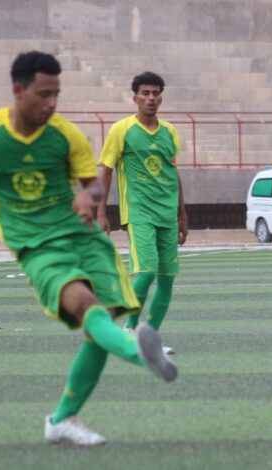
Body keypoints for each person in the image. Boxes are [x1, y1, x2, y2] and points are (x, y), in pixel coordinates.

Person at [0, 51, 178, 447]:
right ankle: (137, 349)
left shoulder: (65, 135)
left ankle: (62, 419)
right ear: (19, 91)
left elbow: (95, 184)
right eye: (44, 94)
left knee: (95, 328)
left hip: (82, 237)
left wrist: (88, 197)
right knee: (87, 308)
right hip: (34, 243)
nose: (52, 103)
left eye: (57, 95)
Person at [97, 71, 188, 355]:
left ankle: (150, 338)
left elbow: (173, 173)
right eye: (145, 93)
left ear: (161, 97)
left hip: (167, 214)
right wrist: (101, 211)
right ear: (135, 97)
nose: (151, 98)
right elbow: (106, 170)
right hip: (138, 213)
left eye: (155, 93)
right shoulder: (121, 130)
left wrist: (182, 215)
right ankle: (129, 330)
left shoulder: (170, 131)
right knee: (146, 271)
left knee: (167, 279)